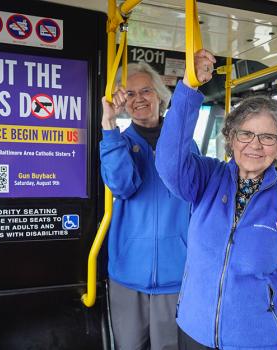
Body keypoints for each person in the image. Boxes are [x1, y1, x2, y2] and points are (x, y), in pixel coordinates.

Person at [155, 49, 277, 350]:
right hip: (194, 333)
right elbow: (169, 162)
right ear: (231, 138)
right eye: (245, 134)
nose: (254, 145)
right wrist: (188, 87)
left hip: (260, 341)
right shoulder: (207, 178)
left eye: (267, 137)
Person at [100, 61, 198, 350]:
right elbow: (122, 186)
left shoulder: (184, 145)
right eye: (129, 94)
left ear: (160, 95)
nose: (139, 98)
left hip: (175, 274)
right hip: (128, 274)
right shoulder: (115, 143)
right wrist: (109, 126)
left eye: (146, 90)